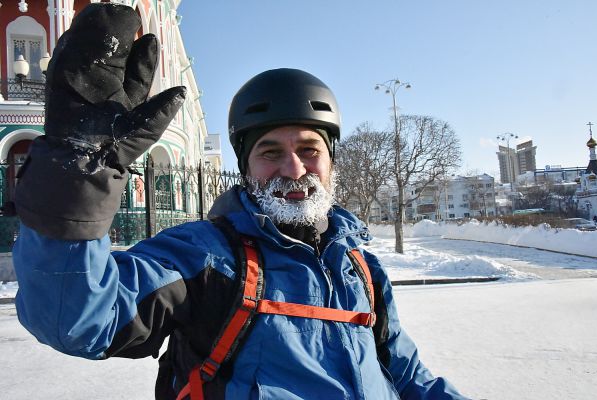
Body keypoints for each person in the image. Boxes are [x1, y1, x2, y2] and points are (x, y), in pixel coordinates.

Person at [13, 4, 467, 400]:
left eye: (310, 149)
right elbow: (78, 319)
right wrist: (73, 172)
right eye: (271, 152)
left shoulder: (364, 272)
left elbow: (408, 377)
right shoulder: (204, 257)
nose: (294, 169)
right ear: (246, 167)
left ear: (331, 162)